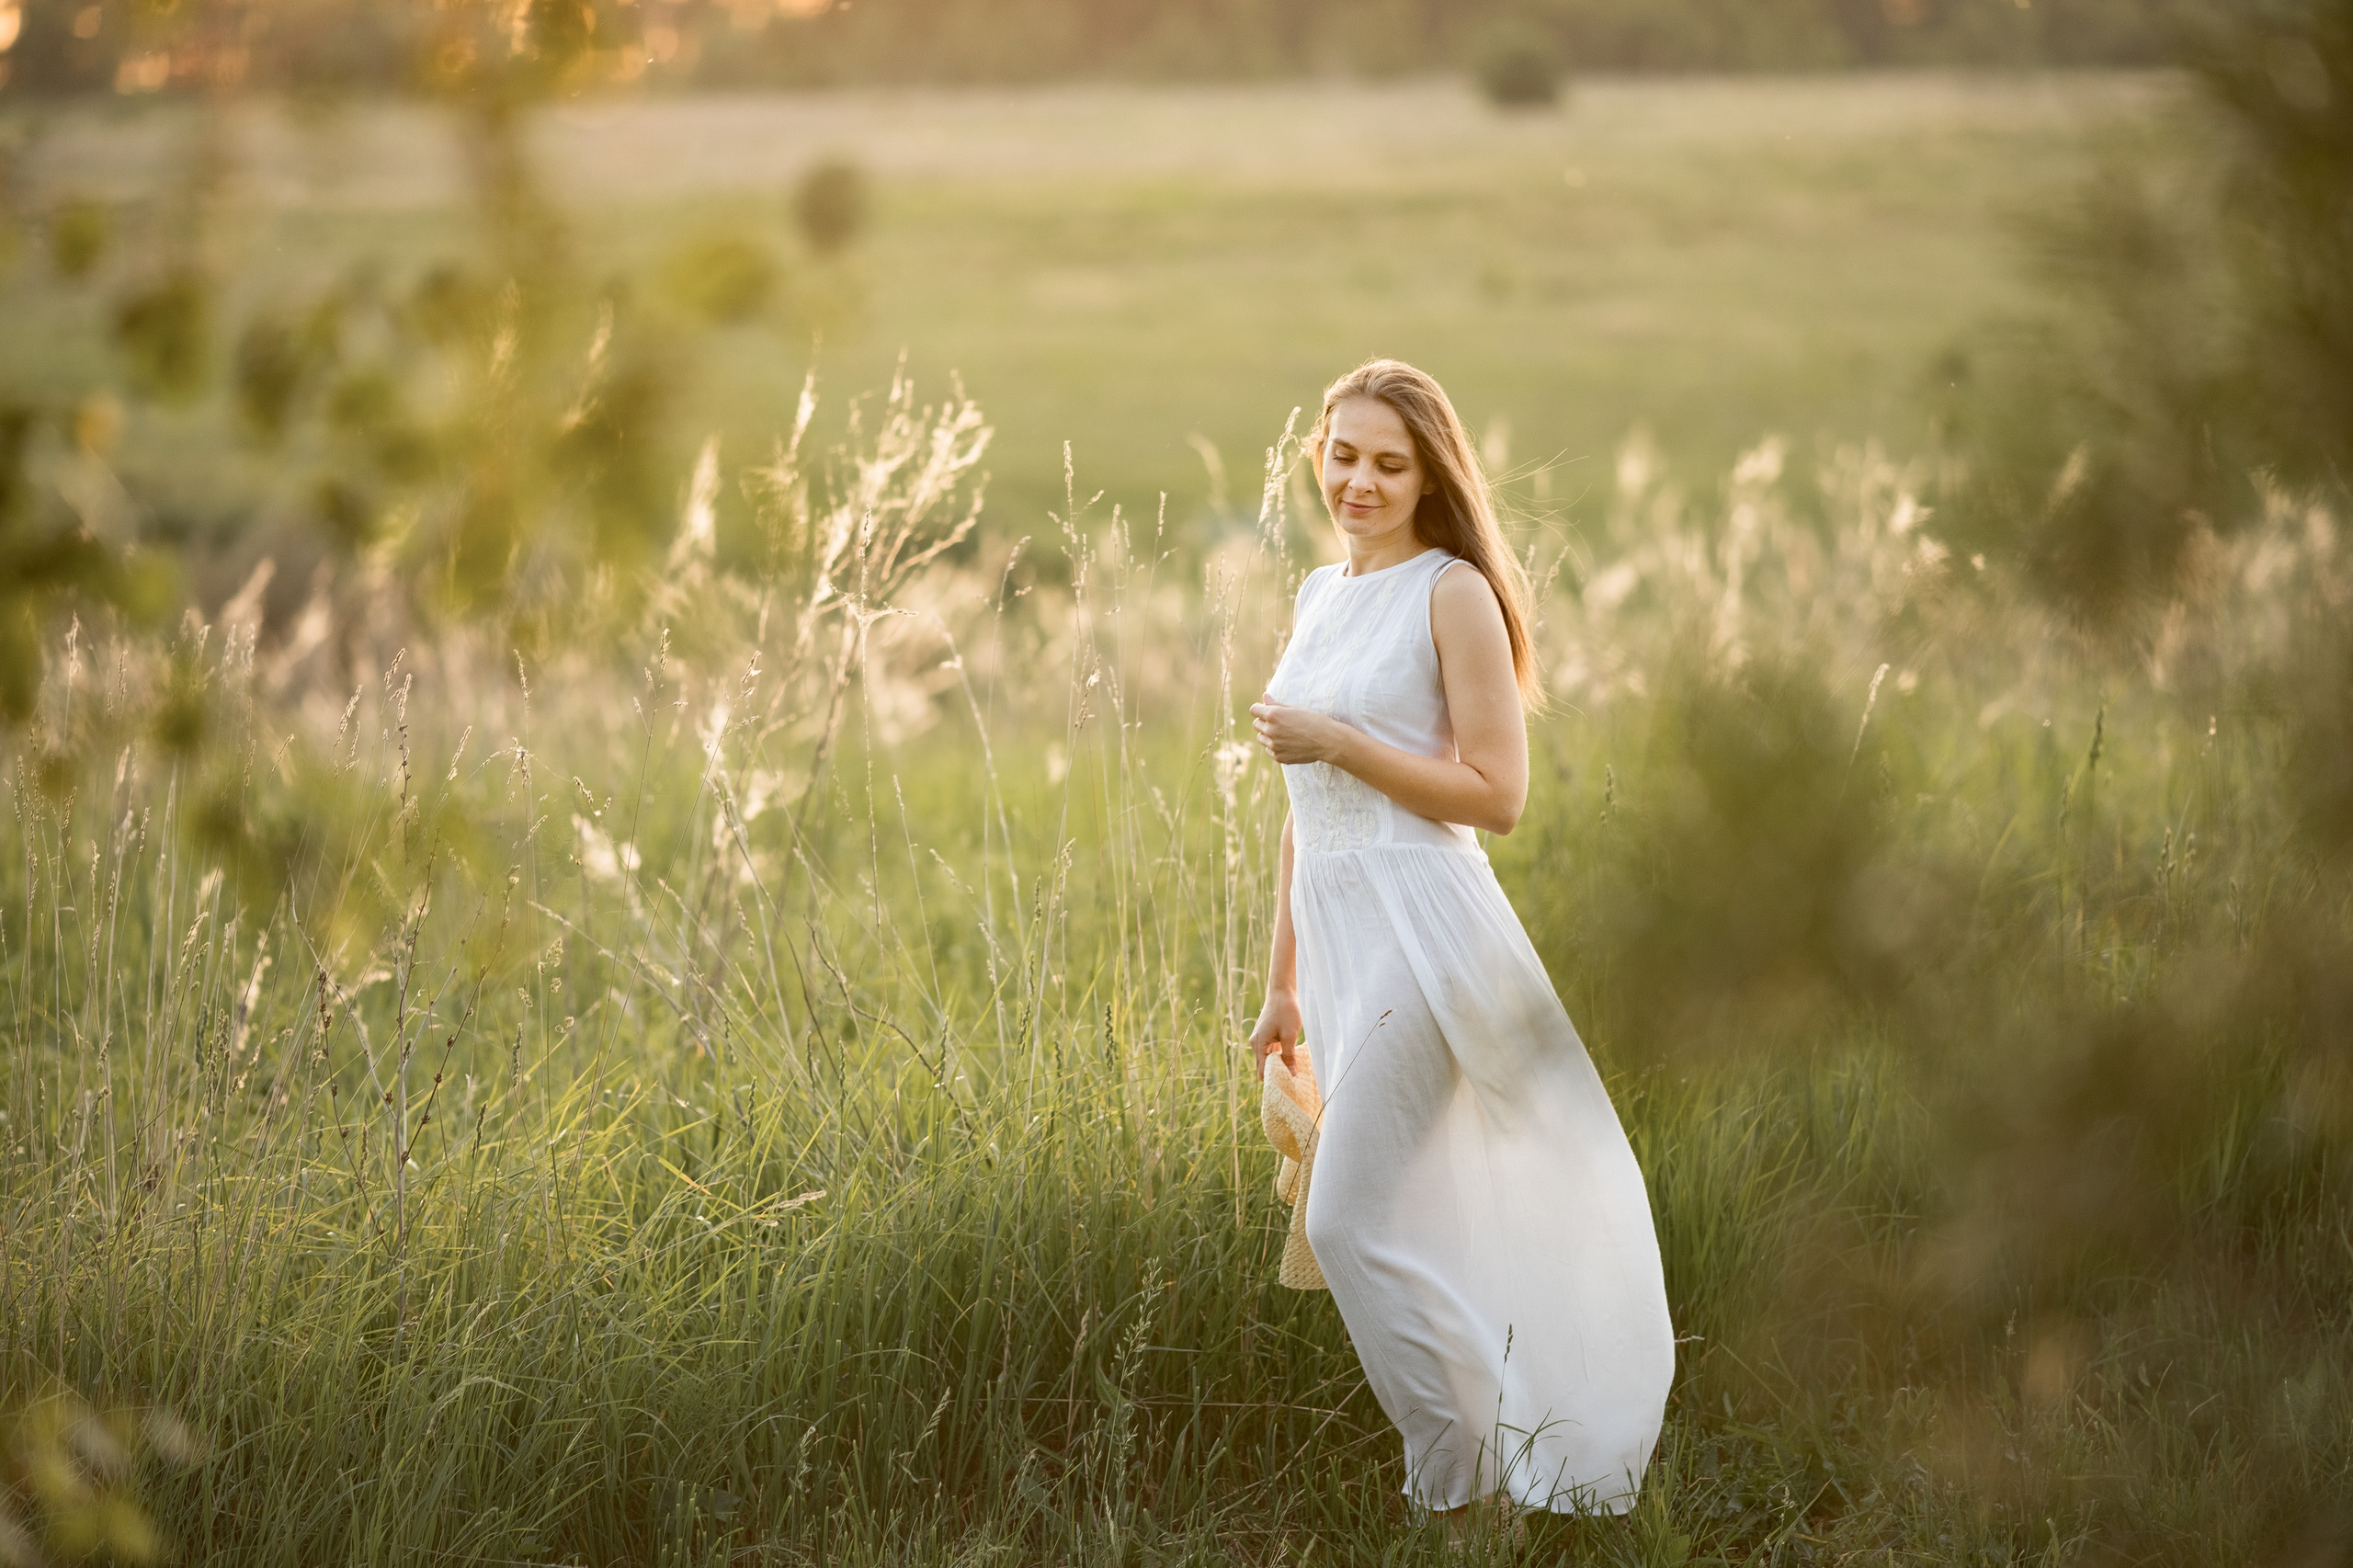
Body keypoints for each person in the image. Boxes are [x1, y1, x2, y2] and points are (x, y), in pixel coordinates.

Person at [1247, 358, 1673, 1532]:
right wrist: (1279, 981)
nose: (1359, 481)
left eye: (1389, 462)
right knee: (1402, 1212)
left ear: (1432, 473)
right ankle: (1480, 1474)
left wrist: (1336, 736)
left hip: (1426, 933)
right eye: (1342, 454)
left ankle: (1464, 1482)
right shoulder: (1317, 595)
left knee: (1342, 1222)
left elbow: (1494, 794)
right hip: (1338, 944)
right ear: (1317, 451)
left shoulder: (1453, 594)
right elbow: (1305, 815)